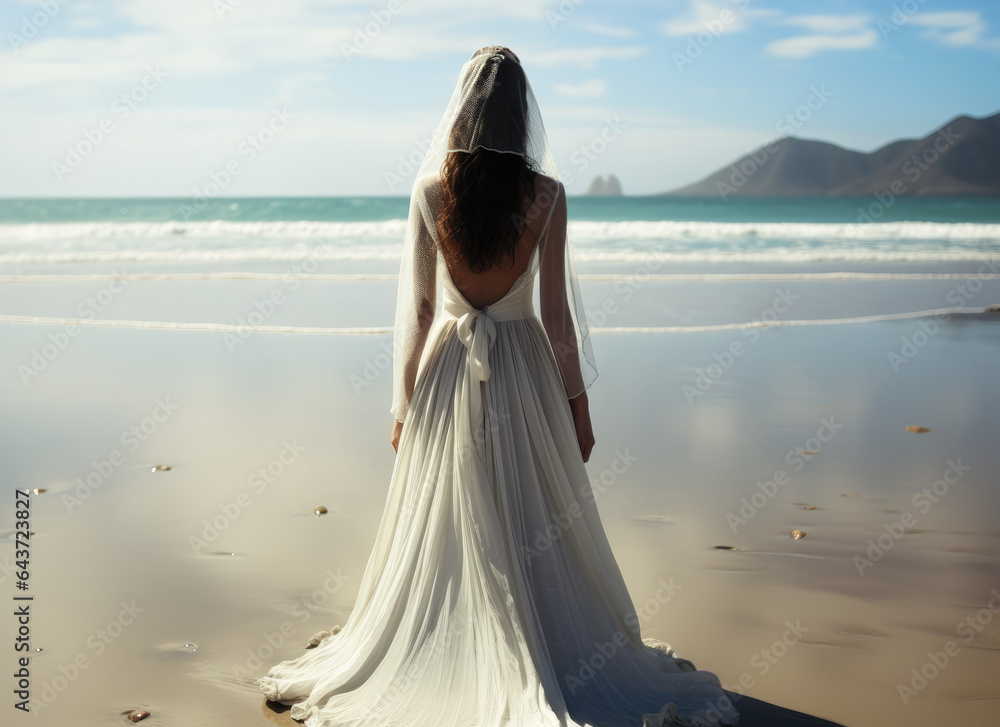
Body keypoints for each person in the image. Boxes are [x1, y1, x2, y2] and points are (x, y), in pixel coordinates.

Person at [256, 46, 844, 727]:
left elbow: (419, 312)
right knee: (533, 512)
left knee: (453, 512)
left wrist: (403, 404)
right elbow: (557, 316)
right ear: (520, 118)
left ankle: (448, 642)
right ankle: (543, 645)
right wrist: (578, 403)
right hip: (526, 373)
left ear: (461, 113)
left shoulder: (428, 194)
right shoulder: (546, 196)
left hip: (449, 370)